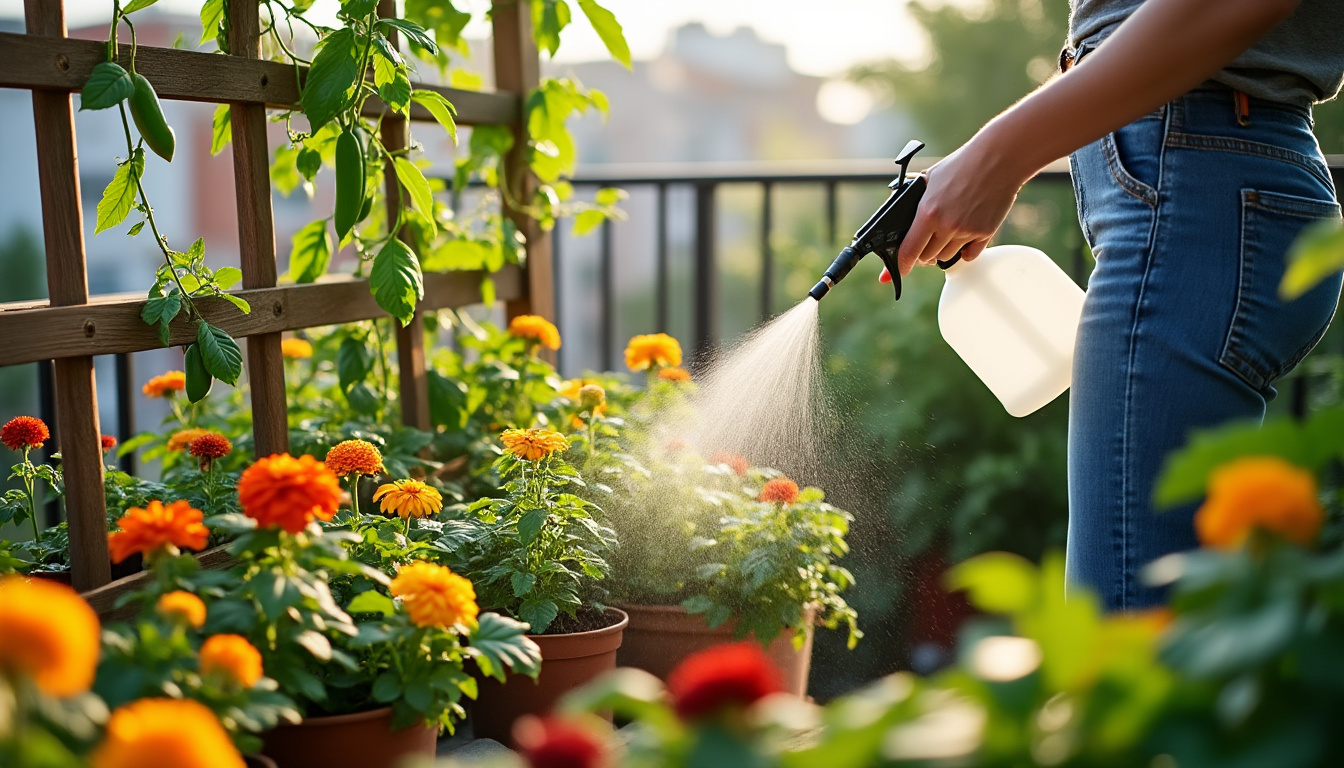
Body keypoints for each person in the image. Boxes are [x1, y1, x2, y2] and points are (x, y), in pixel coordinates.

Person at [888, 0, 1344, 610]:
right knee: (1164, 611)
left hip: (1190, 192)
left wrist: (999, 156)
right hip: (1205, 183)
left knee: (1126, 624)